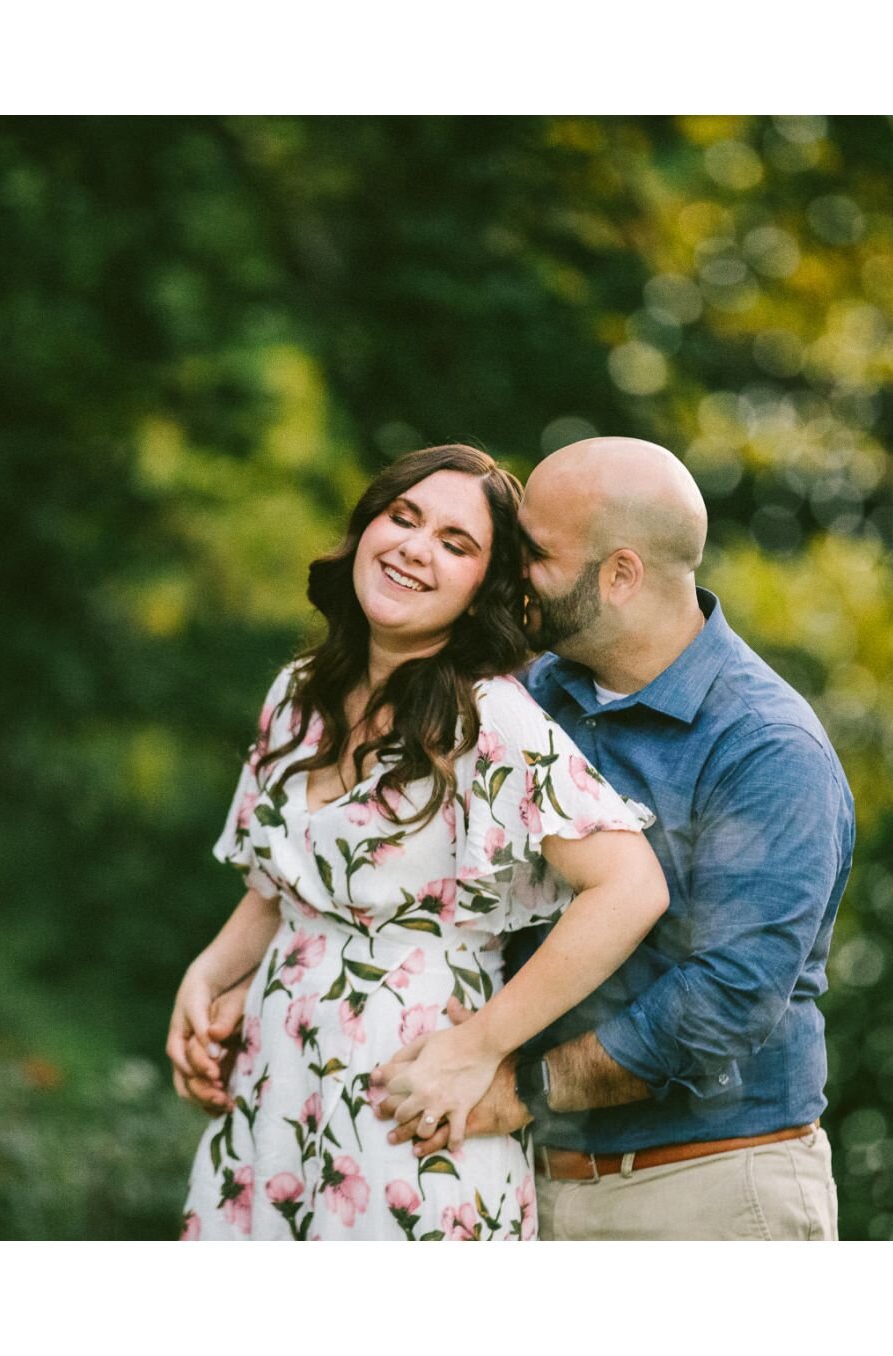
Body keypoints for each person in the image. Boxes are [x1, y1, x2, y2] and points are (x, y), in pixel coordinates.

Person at [169, 443, 667, 1241]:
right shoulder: (298, 697)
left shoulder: (488, 719)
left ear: (482, 591)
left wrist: (481, 1046)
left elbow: (631, 887)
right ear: (365, 527)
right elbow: (282, 891)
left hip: (411, 1107)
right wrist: (206, 975)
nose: (413, 548)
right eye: (402, 517)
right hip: (274, 1096)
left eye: (455, 542)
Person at [374, 435, 856, 1241]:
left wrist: (518, 1085)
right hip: (530, 1180)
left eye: (532, 553)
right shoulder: (534, 697)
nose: (506, 571)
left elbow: (724, 1000)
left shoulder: (767, 749)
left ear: (621, 575)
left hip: (709, 1190)